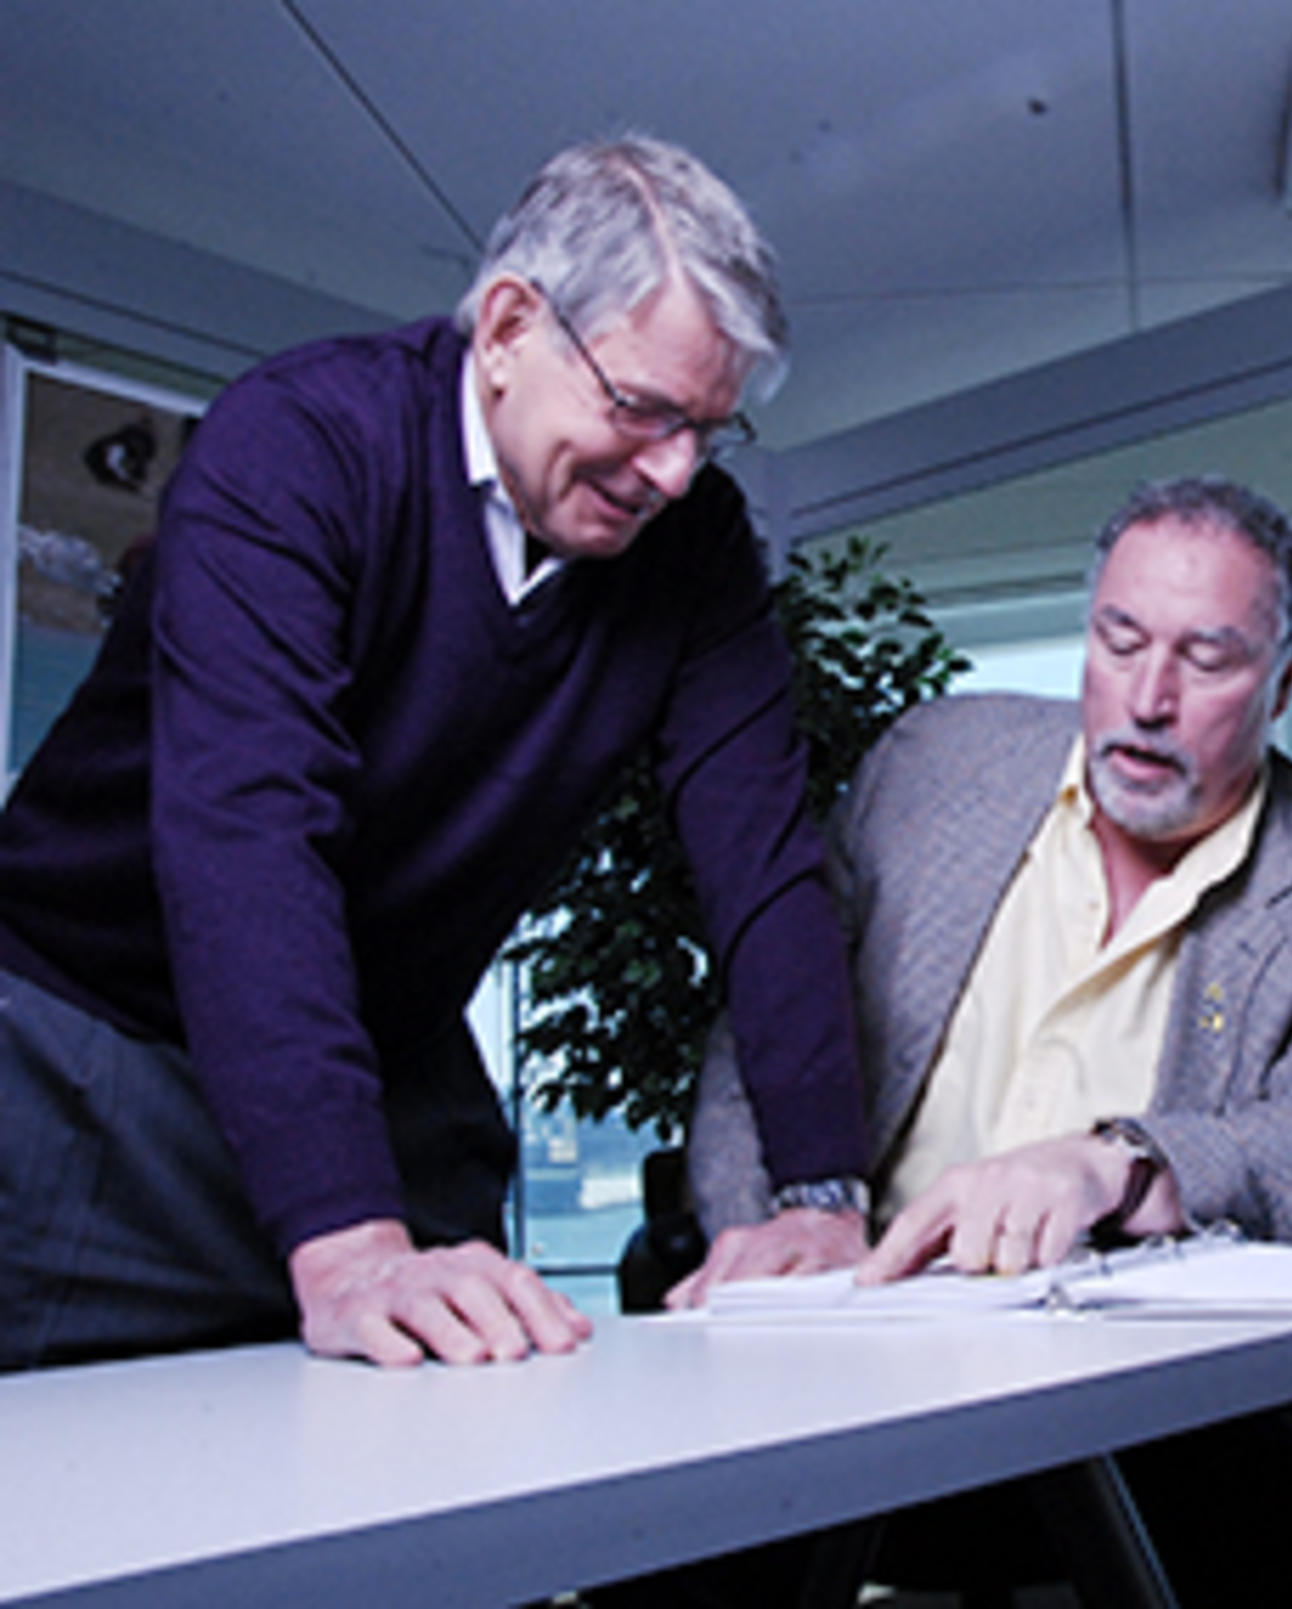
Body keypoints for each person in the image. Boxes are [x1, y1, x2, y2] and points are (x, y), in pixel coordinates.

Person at [0, 135, 871, 1374]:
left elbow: (766, 854)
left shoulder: (699, 546)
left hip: (385, 1056)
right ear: (510, 326)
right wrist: (349, 1247)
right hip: (82, 1032)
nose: (676, 473)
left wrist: (822, 1195)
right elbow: (249, 838)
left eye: (709, 432)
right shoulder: (295, 444)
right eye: (642, 409)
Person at [677, 474, 1292, 1606]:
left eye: (1208, 658)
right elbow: (766, 1032)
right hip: (839, 1355)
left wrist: (1120, 1162)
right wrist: (770, 1239)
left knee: (1262, 1503)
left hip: (1141, 1406)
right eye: (1119, 638)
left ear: (1284, 678)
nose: (1147, 697)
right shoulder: (930, 766)